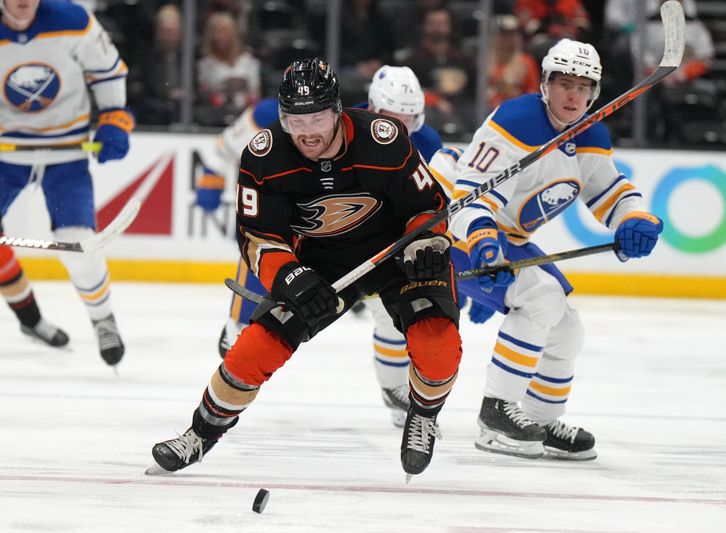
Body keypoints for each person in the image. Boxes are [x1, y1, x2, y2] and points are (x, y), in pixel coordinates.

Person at [148, 58, 463, 478]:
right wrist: (291, 277)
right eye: (296, 120)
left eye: (316, 117)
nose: (308, 131)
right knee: (254, 348)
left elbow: (428, 209)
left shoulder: (384, 141)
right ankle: (200, 434)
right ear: (282, 117)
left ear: (337, 111)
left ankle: (422, 414)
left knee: (437, 343)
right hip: (321, 262)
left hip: (394, 251)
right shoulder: (264, 157)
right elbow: (259, 237)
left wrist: (427, 239)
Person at [438, 39, 662, 460]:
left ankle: (539, 419)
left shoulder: (592, 132)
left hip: (512, 240)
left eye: (583, 86)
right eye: (563, 83)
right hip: (460, 234)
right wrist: (484, 242)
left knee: (567, 328)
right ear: (545, 83)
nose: (573, 94)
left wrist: (634, 218)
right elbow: (469, 194)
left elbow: (609, 191)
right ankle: (494, 417)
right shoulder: (517, 121)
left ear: (594, 92)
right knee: (539, 297)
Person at [214, 66, 469, 429]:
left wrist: (436, 252)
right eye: (392, 116)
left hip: (384, 247)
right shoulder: (323, 126)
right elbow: (260, 238)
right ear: (368, 106)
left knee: (406, 317)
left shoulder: (421, 142)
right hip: (314, 245)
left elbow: (427, 210)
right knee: (275, 271)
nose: (401, 125)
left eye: (409, 118)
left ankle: (400, 391)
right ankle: (237, 324)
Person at [0, 0, 133, 365]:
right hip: (4, 157)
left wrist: (114, 117)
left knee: (77, 242)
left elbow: (107, 71)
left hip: (66, 156)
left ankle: (102, 319)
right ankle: (30, 319)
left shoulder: (72, 20)